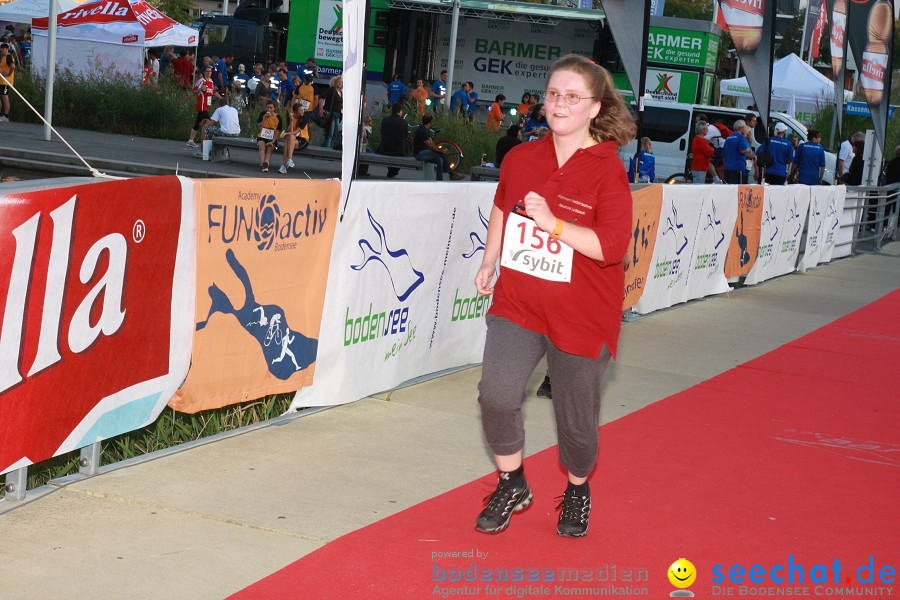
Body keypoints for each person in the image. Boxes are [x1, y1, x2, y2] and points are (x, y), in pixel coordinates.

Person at [473, 54, 635, 538]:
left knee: (576, 423)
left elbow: (610, 247)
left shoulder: (609, 174)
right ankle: (512, 482)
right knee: (496, 396)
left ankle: (579, 488)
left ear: (594, 107)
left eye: (571, 97)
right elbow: (504, 204)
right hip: (519, 303)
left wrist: (555, 225)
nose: (559, 104)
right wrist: (490, 257)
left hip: (582, 315)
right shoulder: (521, 157)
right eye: (552, 94)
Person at [413, 113, 464, 181]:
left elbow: (431, 143)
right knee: (442, 154)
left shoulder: (426, 129)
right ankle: (452, 174)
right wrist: (441, 151)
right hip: (419, 154)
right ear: (430, 122)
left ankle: (439, 180)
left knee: (440, 160)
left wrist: (438, 148)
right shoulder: (422, 130)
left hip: (425, 152)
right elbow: (430, 146)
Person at [187, 66, 218, 148]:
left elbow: (214, 92)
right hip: (201, 105)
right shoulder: (201, 81)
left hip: (206, 106)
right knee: (208, 122)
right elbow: (194, 91)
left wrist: (222, 99)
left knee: (198, 123)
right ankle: (205, 143)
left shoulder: (211, 82)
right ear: (204, 72)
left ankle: (191, 140)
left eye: (210, 71)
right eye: (207, 71)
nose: (209, 73)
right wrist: (200, 89)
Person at [376, 102, 409, 178]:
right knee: (404, 147)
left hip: (384, 148)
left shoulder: (385, 120)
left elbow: (382, 132)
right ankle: (393, 171)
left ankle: (391, 171)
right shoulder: (404, 122)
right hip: (398, 151)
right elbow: (405, 136)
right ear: (400, 111)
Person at [280, 101, 310, 174]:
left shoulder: (304, 118)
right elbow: (291, 130)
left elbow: (296, 132)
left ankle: (285, 164)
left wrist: (285, 134)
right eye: (301, 110)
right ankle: (288, 162)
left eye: (303, 110)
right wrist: (291, 121)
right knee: (288, 140)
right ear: (295, 111)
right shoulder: (290, 117)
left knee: (289, 139)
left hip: (303, 140)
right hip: (293, 139)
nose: (303, 111)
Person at [722, 119, 754, 184]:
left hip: (728, 168)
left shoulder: (728, 138)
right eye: (745, 127)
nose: (745, 129)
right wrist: (748, 149)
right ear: (741, 128)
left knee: (728, 188)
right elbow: (742, 151)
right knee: (737, 188)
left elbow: (723, 155)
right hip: (738, 167)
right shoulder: (741, 138)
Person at [318, 75, 343, 149]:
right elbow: (321, 97)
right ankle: (326, 149)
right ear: (335, 82)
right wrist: (321, 108)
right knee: (330, 133)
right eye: (338, 82)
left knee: (335, 133)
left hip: (338, 114)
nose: (340, 83)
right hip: (331, 114)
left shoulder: (341, 92)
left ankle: (323, 147)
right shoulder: (332, 90)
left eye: (341, 82)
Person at [256, 100, 282, 172]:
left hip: (272, 137)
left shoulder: (278, 117)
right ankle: (263, 164)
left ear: (274, 108)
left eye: (271, 108)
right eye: (267, 108)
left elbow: (278, 131)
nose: (269, 110)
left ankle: (266, 162)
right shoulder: (263, 114)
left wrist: (273, 141)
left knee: (270, 147)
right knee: (261, 145)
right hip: (262, 135)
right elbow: (259, 127)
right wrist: (264, 119)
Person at [0, 42, 16, 123]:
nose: (1, 50)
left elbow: (12, 66)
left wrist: (8, 73)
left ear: (6, 49)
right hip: (1, 81)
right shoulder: (3, 57)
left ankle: (6, 116)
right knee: (1, 97)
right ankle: (2, 115)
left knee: (5, 98)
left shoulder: (9, 56)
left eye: (2, 49)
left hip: (5, 82)